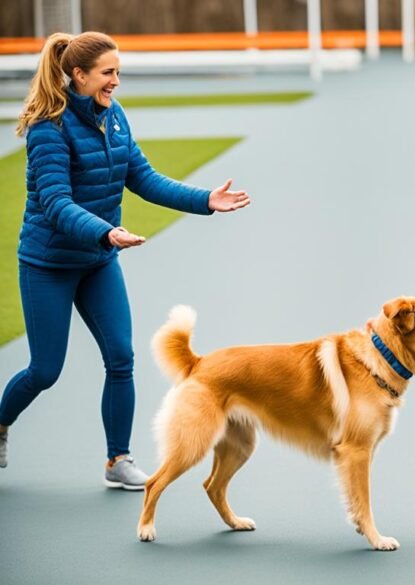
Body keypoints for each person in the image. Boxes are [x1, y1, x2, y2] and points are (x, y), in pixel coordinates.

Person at [0, 32, 250, 489]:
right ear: (79, 75)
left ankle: (118, 459)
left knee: (121, 356)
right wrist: (105, 230)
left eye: (118, 72)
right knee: (44, 371)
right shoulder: (48, 129)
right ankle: (0, 423)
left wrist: (205, 200)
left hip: (97, 260)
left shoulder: (114, 117)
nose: (116, 81)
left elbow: (143, 177)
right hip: (48, 265)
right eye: (108, 73)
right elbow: (55, 202)